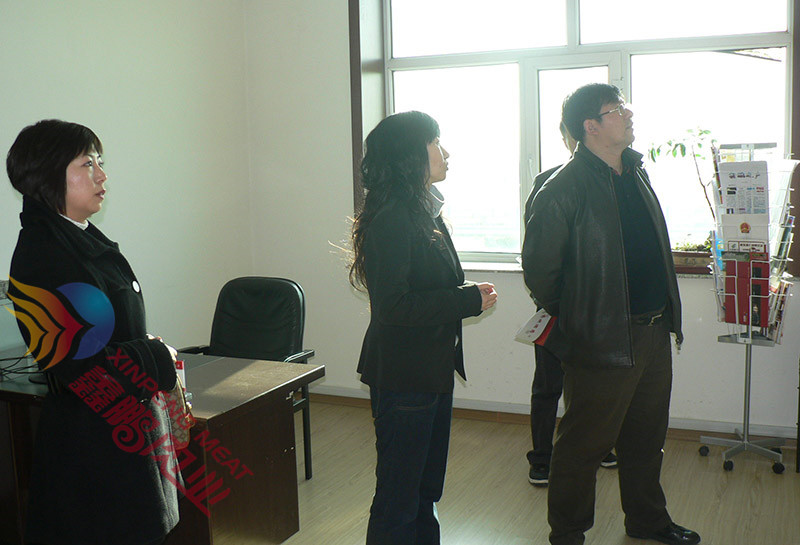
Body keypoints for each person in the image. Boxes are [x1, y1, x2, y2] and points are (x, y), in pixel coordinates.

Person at [522, 84, 701, 545]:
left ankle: (647, 521)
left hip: (653, 331)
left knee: (645, 439)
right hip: (601, 339)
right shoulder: (561, 189)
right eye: (617, 109)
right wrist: (580, 320)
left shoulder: (636, 173)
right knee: (583, 445)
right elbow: (540, 272)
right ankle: (567, 534)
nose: (628, 114)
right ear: (591, 126)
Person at [6, 119, 183, 545]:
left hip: (123, 431)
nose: (102, 175)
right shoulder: (43, 255)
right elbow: (84, 368)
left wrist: (147, 351)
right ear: (49, 176)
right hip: (93, 447)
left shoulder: (76, 238)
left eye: (100, 162)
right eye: (87, 164)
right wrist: (157, 356)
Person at [350, 110, 497, 544]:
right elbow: (393, 305)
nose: (445, 152)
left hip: (429, 369)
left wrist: (465, 295)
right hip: (405, 376)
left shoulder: (421, 210)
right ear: (409, 154)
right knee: (399, 495)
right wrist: (466, 300)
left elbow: (424, 286)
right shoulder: (394, 216)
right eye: (435, 142)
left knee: (424, 489)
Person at [524, 122, 617, 487]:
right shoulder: (548, 182)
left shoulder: (615, 179)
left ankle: (599, 447)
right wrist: (551, 304)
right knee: (548, 386)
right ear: (566, 137)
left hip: (600, 308)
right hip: (556, 306)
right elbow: (536, 255)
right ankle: (541, 458)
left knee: (597, 385)